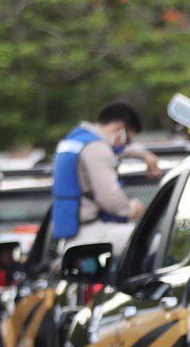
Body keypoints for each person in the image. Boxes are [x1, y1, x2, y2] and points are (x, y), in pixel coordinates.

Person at [51, 101, 158, 257]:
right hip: (93, 234)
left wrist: (143, 154)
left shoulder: (76, 140)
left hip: (73, 236)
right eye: (127, 139)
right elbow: (110, 199)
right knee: (157, 241)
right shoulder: (97, 148)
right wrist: (133, 209)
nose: (125, 144)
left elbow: (117, 151)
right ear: (119, 129)